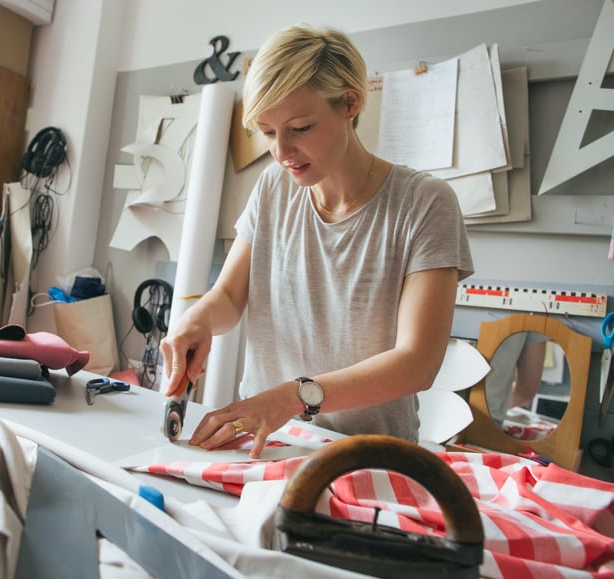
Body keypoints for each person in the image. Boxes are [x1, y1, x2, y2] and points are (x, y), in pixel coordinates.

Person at [159, 25, 474, 458]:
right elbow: (230, 297)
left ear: (350, 102)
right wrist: (195, 321)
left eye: (300, 128)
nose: (282, 151)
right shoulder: (273, 188)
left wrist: (293, 397)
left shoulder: (424, 203)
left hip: (365, 452)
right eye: (268, 133)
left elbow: (417, 362)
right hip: (266, 440)